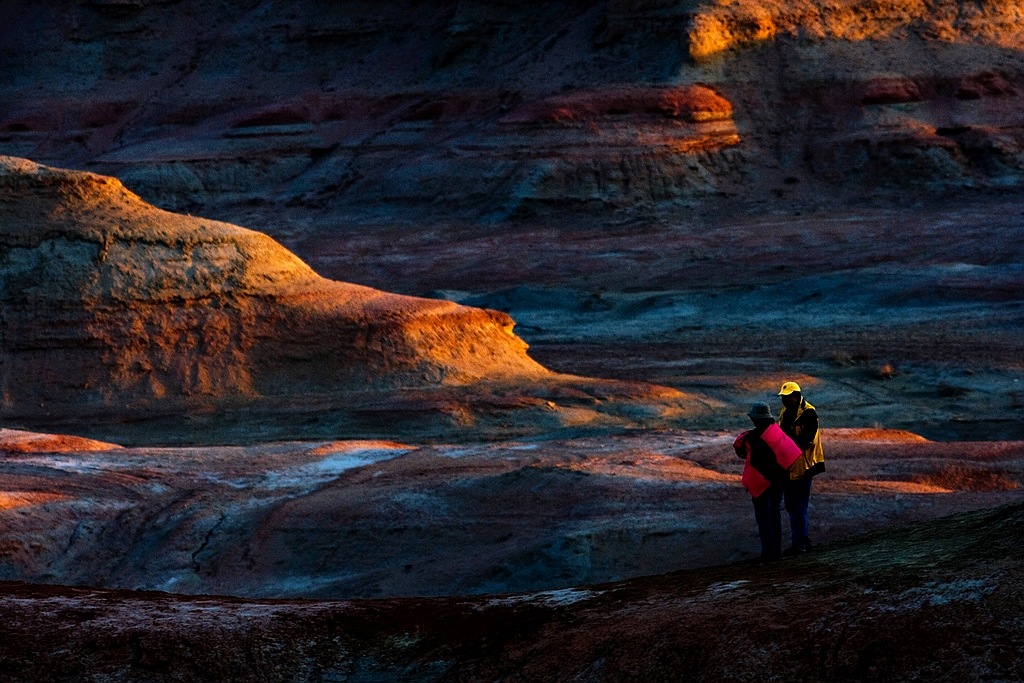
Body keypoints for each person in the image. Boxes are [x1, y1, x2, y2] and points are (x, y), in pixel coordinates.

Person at [734, 402, 802, 562]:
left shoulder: (753, 437)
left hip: (764, 482)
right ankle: (775, 551)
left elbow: (746, 456)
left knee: (763, 515)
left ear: (755, 419)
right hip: (779, 479)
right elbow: (788, 453)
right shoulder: (777, 433)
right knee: (774, 512)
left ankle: (768, 552)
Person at [777, 381, 825, 556]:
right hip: (790, 466)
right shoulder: (785, 412)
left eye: (787, 397)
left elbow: (807, 441)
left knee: (799, 505)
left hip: (805, 467)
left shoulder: (809, 413)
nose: (784, 401)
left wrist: (785, 442)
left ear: (796, 396)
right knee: (791, 505)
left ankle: (802, 543)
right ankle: (798, 541)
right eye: (783, 398)